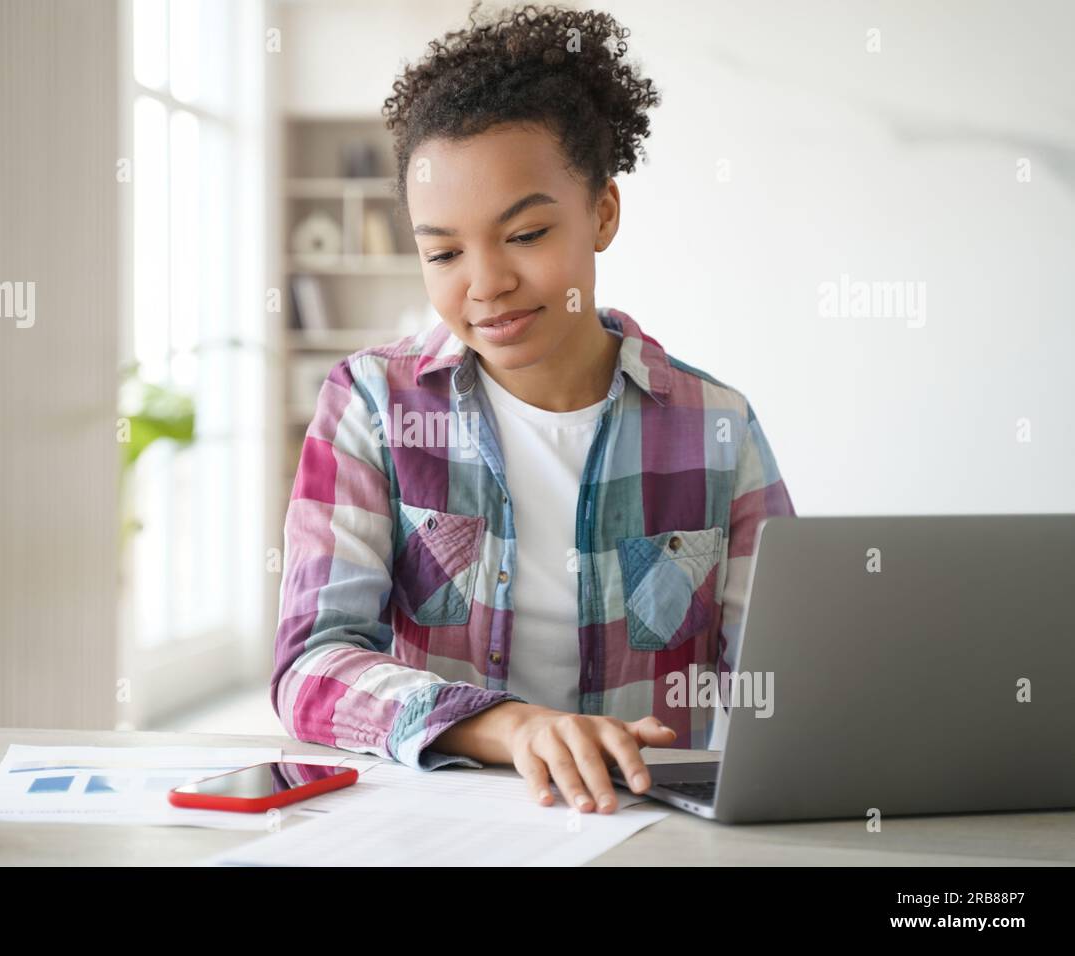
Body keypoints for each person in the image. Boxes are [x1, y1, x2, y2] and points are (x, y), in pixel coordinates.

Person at [271, 2, 795, 813]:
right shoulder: (371, 405)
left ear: (603, 214)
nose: (484, 284)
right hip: (438, 826)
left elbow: (780, 677)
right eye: (443, 251)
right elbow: (311, 667)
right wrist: (512, 729)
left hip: (646, 827)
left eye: (525, 235)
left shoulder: (715, 426)